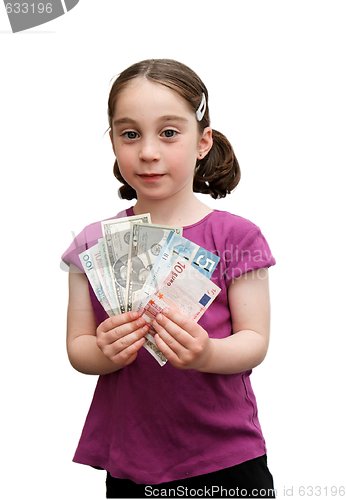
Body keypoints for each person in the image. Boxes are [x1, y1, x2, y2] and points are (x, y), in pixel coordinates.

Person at [62, 59, 277, 498]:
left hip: (225, 456)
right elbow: (78, 349)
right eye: (130, 134)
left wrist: (206, 354)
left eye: (169, 132)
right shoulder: (93, 244)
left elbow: (255, 339)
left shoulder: (236, 236)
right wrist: (106, 352)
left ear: (203, 142)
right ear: (113, 144)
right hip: (132, 461)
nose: (148, 152)